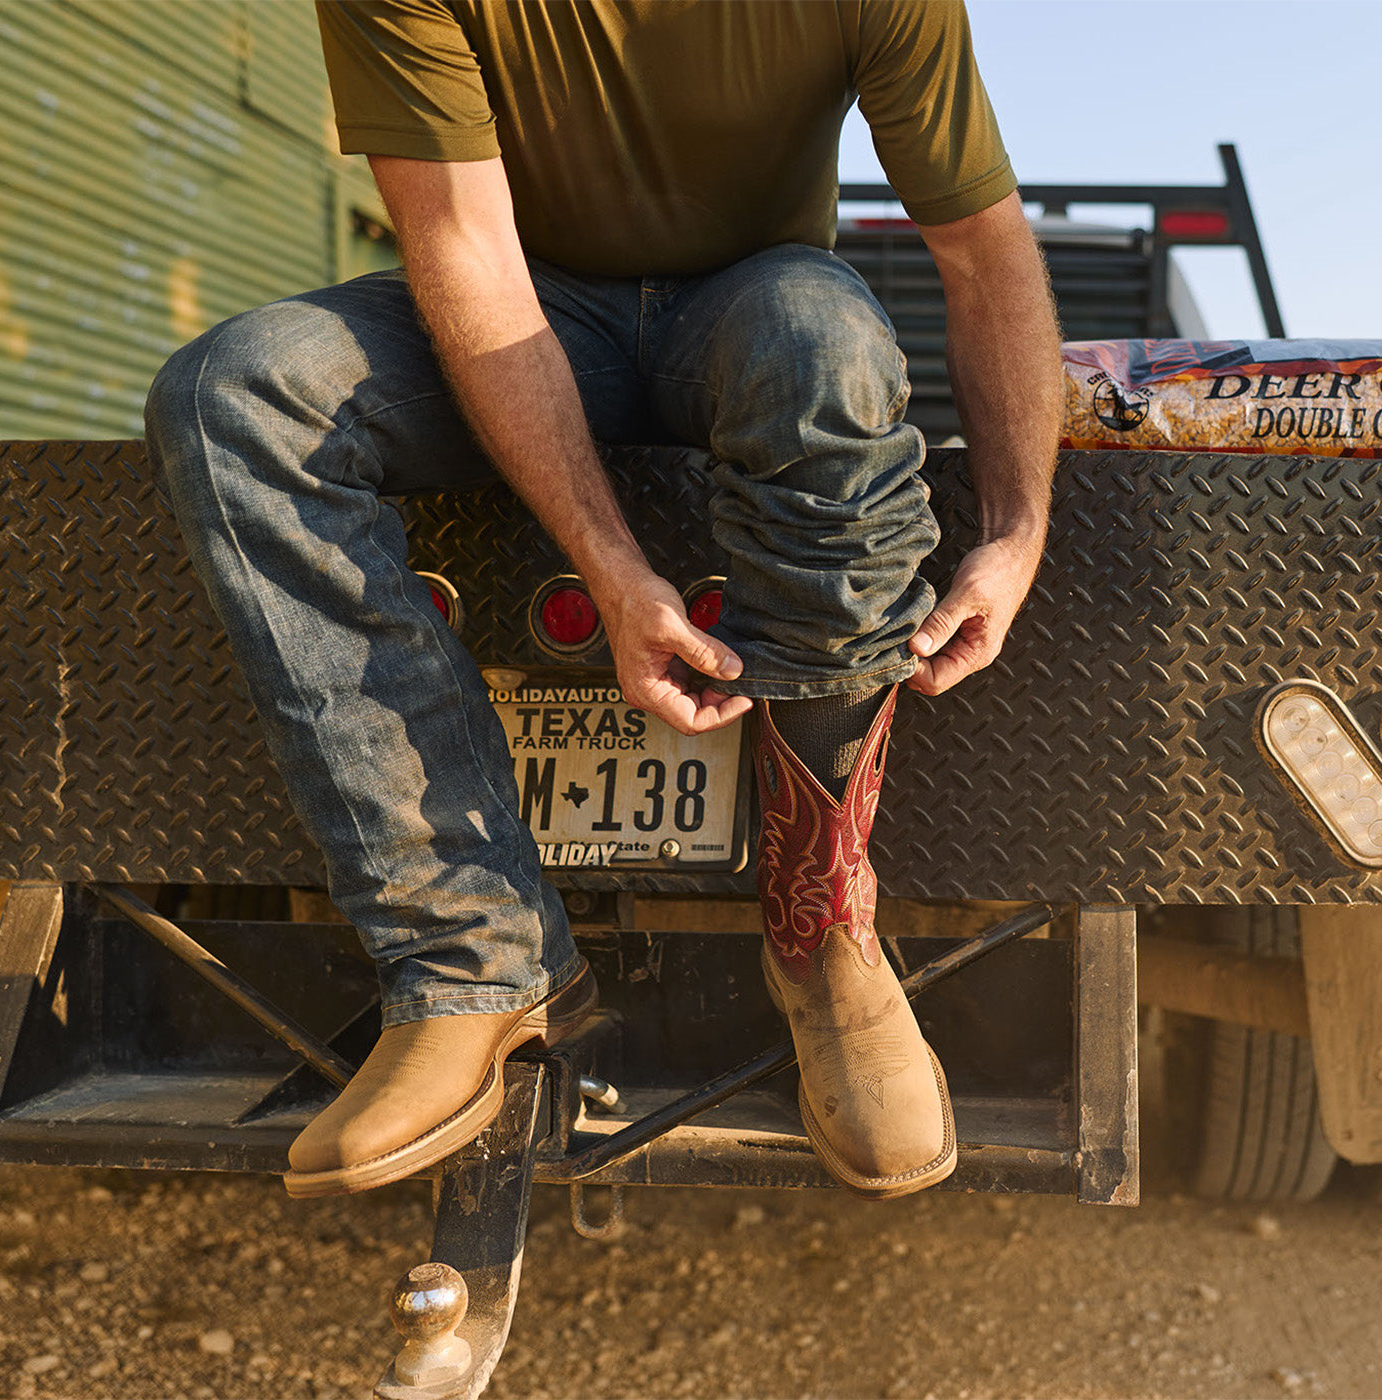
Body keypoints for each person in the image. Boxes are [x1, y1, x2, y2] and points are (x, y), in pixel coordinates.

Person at [144, 0, 1060, 1202]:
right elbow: (462, 236)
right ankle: (471, 965)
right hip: (526, 304)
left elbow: (982, 252)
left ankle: (824, 936)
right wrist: (608, 564)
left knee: (825, 344)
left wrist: (1015, 526)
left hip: (752, 308)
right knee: (235, 395)